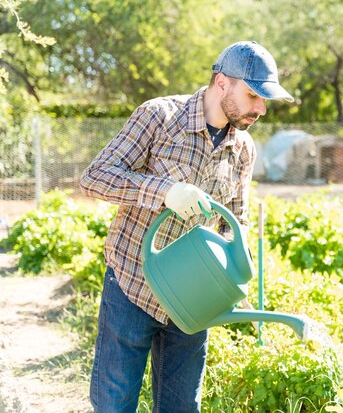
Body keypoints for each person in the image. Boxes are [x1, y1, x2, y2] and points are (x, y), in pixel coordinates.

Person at [80, 41, 293, 412]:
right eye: (253, 95)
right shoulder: (159, 117)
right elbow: (95, 177)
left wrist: (233, 263)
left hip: (193, 302)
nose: (260, 108)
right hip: (133, 285)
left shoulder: (243, 147)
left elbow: (236, 220)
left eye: (264, 100)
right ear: (222, 82)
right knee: (115, 405)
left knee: (181, 408)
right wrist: (163, 191)